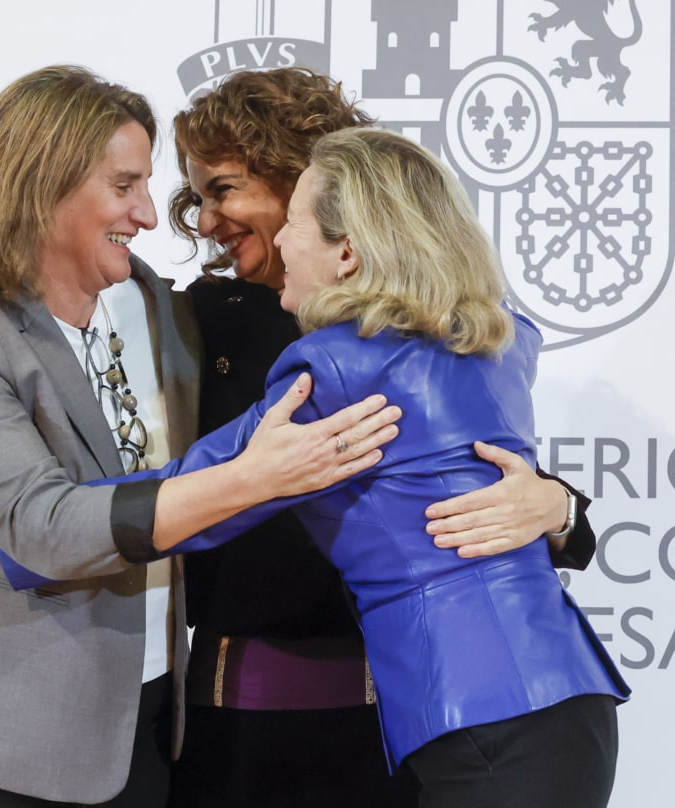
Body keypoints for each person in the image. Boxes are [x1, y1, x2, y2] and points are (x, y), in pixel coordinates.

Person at [0, 65, 402, 807]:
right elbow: (48, 525)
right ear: (40, 184)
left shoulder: (157, 308)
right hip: (1, 744)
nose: (153, 215)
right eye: (126, 187)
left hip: (151, 735)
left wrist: (552, 510)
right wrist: (22, 525)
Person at [110, 126, 630, 808]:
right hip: (558, 701)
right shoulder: (499, 339)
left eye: (297, 221)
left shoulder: (333, 368)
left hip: (483, 720)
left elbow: (193, 494)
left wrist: (27, 526)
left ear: (348, 251)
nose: (287, 240)